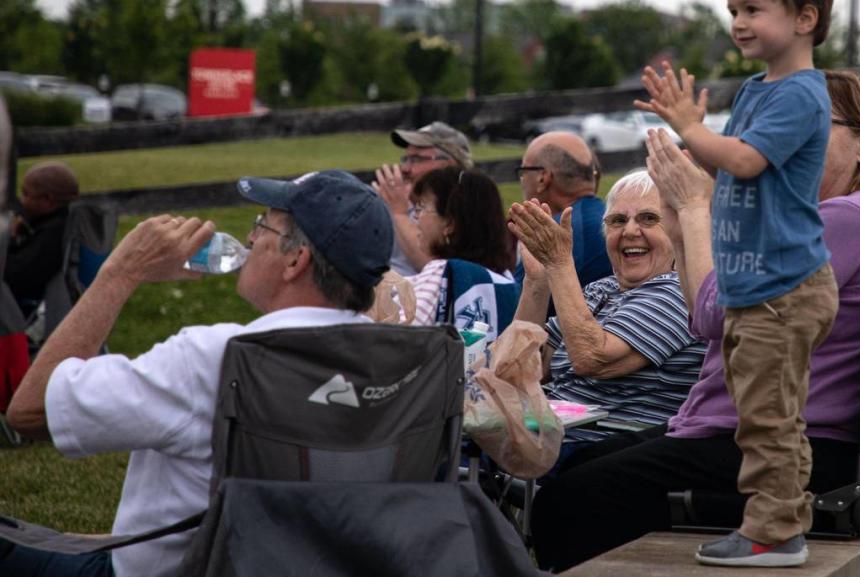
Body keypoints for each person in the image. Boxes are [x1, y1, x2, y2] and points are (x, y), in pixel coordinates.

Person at [530, 70, 860, 572]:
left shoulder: (851, 218)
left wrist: (696, 207)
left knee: (567, 501)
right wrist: (683, 218)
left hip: (794, 451)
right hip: (780, 437)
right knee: (577, 464)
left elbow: (712, 315)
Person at [3, 170, 393, 577]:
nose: (249, 239)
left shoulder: (215, 359)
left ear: (296, 259)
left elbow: (31, 409)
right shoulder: (394, 364)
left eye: (263, 225)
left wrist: (120, 272)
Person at [633, 0, 839, 566]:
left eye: (754, 8)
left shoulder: (802, 93)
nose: (739, 22)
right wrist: (686, 150)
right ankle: (779, 520)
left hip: (784, 290)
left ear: (805, 18)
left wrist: (692, 128)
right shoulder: (757, 89)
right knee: (765, 414)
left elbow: (744, 161)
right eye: (733, 9)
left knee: (768, 420)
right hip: (758, 290)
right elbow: (723, 164)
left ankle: (774, 533)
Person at [509, 169, 705, 449]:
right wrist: (537, 282)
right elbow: (518, 374)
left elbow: (592, 358)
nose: (630, 231)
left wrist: (559, 263)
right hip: (546, 442)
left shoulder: (680, 292)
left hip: (607, 453)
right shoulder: (601, 289)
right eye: (617, 221)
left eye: (649, 219)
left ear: (676, 230)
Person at [407, 166, 517, 335]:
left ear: (449, 223)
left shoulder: (442, 273)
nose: (416, 217)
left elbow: (400, 338)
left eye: (422, 207)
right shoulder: (509, 283)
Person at [514, 131, 612, 298]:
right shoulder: (614, 220)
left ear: (542, 178)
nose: (522, 180)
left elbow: (515, 312)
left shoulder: (549, 238)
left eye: (524, 171)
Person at [373, 121, 473, 277]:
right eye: (405, 159)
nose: (405, 169)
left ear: (449, 163)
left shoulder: (466, 210)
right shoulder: (401, 201)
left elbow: (439, 270)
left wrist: (399, 213)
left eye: (417, 159)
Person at [4, 161, 79, 316]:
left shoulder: (53, 235)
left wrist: (8, 238)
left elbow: (14, 278)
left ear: (48, 201)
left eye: (25, 193)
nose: (21, 199)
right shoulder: (66, 225)